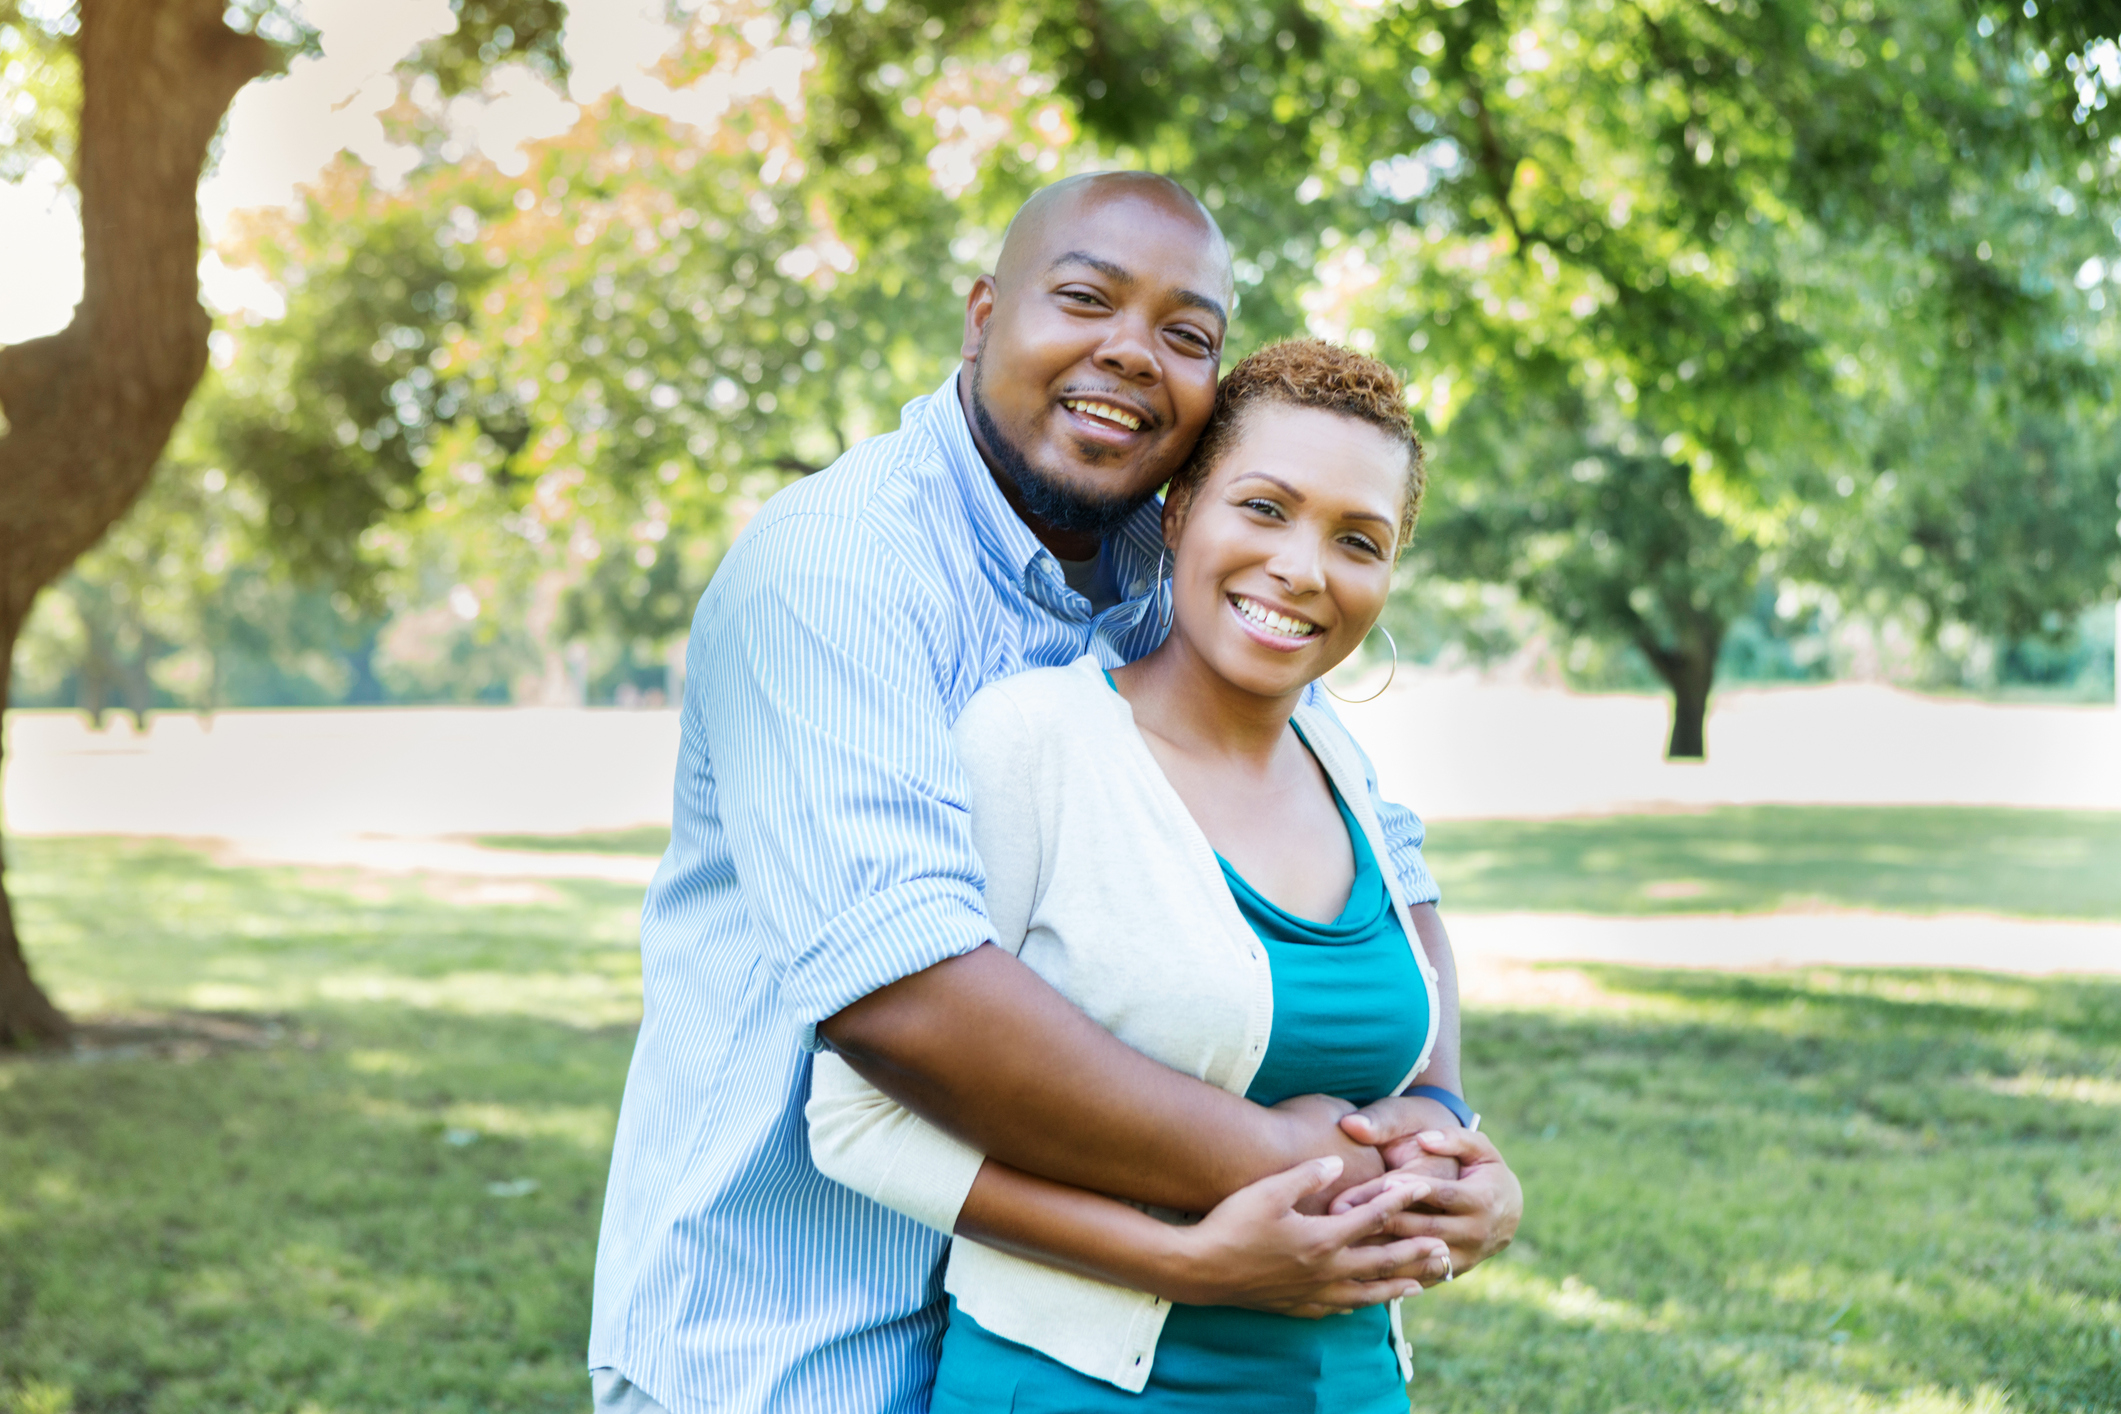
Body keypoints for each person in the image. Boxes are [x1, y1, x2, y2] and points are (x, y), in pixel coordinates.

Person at [587, 172, 1522, 1414]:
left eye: (1187, 334)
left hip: (1066, 1325)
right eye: (1085, 298)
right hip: (796, 1340)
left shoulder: (1175, 565)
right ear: (983, 315)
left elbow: (1384, 872)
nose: (1131, 353)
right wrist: (1312, 1167)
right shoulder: (835, 571)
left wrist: (1443, 1129)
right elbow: (906, 1003)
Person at [808, 338, 1475, 1413]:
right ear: (1178, 512)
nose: (1303, 569)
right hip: (1082, 1386)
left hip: (1348, 1384)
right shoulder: (1037, 743)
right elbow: (853, 1121)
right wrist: (1183, 1261)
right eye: (1264, 508)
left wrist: (1467, 1174)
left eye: (1358, 538)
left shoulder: (1340, 765)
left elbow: (1404, 1090)